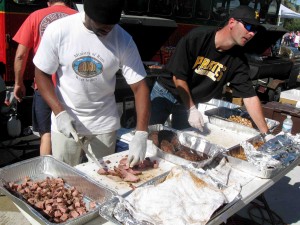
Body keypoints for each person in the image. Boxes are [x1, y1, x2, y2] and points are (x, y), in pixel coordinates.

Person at [33, 0, 150, 167]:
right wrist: (59, 113)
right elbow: (41, 74)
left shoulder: (123, 40)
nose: (108, 30)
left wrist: (141, 134)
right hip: (66, 123)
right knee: (65, 180)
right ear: (87, 13)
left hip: (104, 125)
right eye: (102, 26)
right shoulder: (59, 30)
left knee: (102, 180)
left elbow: (140, 87)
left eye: (111, 25)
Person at [150, 5, 274, 141]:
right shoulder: (198, 38)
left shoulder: (238, 60)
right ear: (232, 22)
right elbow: (178, 77)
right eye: (249, 27)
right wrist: (191, 110)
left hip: (190, 100)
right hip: (166, 92)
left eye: (255, 30)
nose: (252, 33)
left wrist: (266, 134)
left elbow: (249, 97)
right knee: (148, 135)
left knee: (181, 142)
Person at [13, 0, 77, 156]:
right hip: (71, 87)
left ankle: (48, 178)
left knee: (46, 134)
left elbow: (21, 55)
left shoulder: (35, 16)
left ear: (48, 1)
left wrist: (18, 83)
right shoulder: (78, 17)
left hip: (44, 86)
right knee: (72, 134)